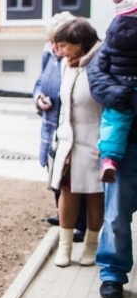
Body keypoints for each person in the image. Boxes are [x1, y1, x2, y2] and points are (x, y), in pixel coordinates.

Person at [89, 0, 137, 298]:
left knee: (117, 214)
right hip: (125, 148)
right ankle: (112, 274)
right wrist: (124, 95)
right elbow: (96, 76)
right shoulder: (110, 44)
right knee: (116, 215)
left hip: (119, 139)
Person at [49, 18, 105, 267]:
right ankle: (65, 246)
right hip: (68, 141)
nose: (60, 51)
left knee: (95, 194)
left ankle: (91, 247)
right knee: (67, 191)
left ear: (79, 43)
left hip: (95, 142)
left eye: (63, 45)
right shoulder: (66, 65)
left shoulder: (102, 64)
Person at [33, 11, 87, 241]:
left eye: (58, 41)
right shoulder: (51, 56)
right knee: (55, 176)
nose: (54, 46)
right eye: (51, 41)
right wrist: (38, 98)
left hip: (69, 129)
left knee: (72, 180)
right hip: (50, 126)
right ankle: (63, 214)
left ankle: (80, 224)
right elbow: (39, 82)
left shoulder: (76, 61)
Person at [96, 0, 137, 183]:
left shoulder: (111, 39)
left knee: (113, 123)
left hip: (120, 86)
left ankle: (109, 160)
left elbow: (101, 65)